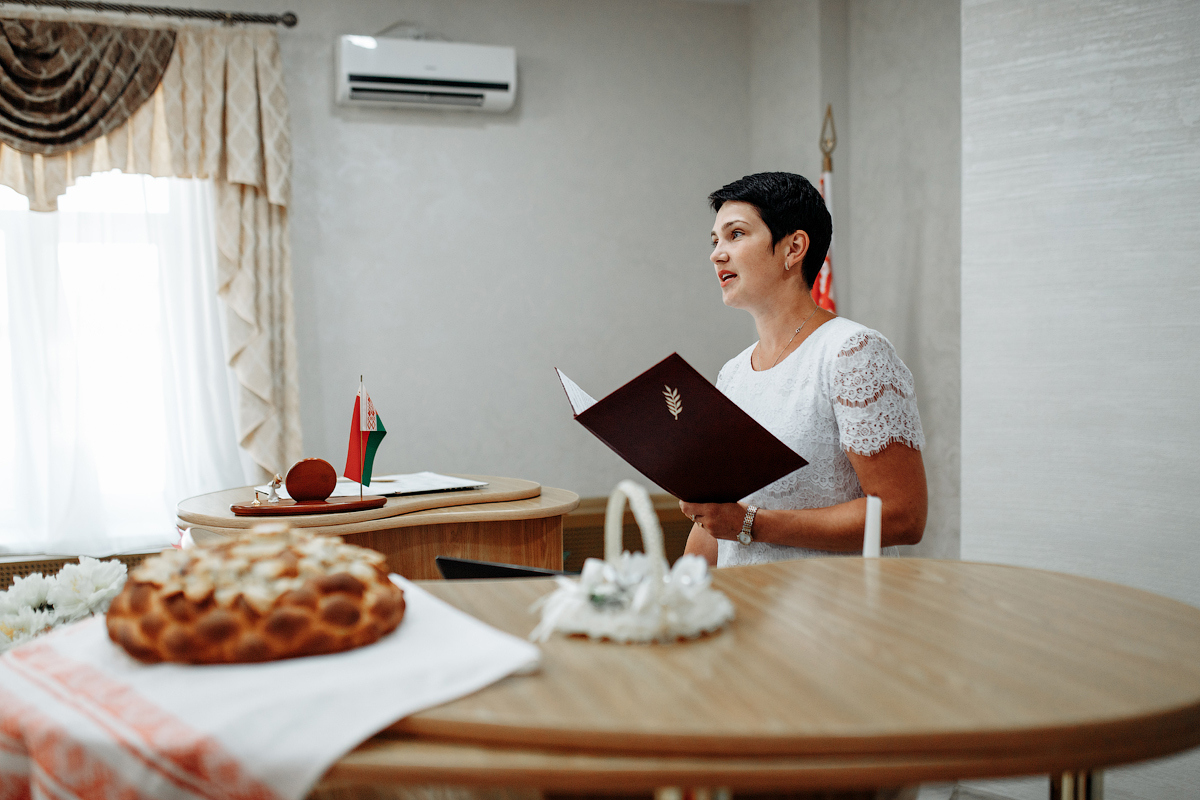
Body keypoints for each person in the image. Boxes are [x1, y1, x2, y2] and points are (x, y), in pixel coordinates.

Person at [683, 172, 927, 567]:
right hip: (740, 611)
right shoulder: (731, 374)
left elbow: (904, 515)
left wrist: (751, 524)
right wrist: (670, 596)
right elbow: (716, 524)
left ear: (793, 248)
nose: (717, 253)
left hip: (830, 613)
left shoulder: (853, 352)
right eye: (715, 241)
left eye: (736, 234)